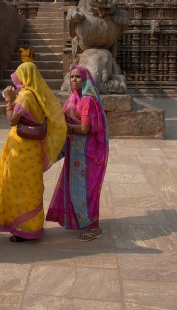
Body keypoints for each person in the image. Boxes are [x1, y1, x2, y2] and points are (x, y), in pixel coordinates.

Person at [0, 62, 67, 242]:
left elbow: (12, 120)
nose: (16, 82)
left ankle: (22, 228)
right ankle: (33, 226)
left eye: (18, 77)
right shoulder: (38, 95)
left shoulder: (25, 96)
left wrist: (8, 99)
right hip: (33, 149)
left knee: (18, 186)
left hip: (22, 149)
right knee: (31, 187)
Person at [46, 65, 109, 241]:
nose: (73, 80)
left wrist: (67, 127)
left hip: (87, 153)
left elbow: (84, 128)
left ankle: (94, 227)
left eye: (77, 77)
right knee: (74, 189)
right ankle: (78, 219)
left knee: (86, 190)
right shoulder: (73, 99)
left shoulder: (88, 101)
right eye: (71, 77)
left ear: (85, 80)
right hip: (76, 152)